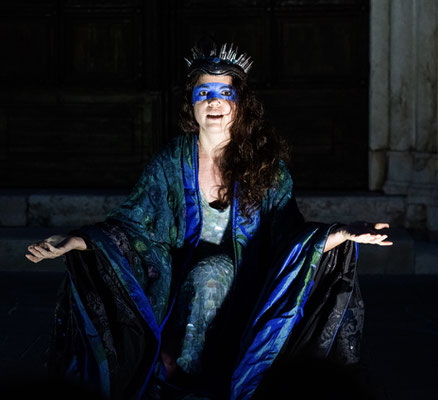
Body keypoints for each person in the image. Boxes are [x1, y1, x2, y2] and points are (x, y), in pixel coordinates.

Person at [26, 42, 392, 400]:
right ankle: (181, 375)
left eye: (224, 93)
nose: (213, 102)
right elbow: (134, 225)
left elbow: (288, 237)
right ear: (191, 103)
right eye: (204, 93)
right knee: (204, 275)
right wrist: (80, 241)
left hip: (250, 282)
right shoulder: (171, 161)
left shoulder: (266, 168)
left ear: (240, 103)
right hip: (176, 282)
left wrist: (339, 233)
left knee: (214, 273)